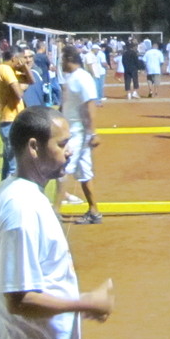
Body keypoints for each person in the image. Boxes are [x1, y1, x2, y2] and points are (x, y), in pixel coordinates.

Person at [0, 107, 114, 339]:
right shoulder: (22, 209)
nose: (69, 151)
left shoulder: (14, 194)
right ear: (33, 147)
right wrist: (85, 303)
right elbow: (20, 299)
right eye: (61, 143)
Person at [58, 45, 103, 223]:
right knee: (85, 173)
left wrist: (92, 133)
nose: (61, 63)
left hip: (77, 133)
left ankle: (54, 211)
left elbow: (90, 105)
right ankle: (94, 211)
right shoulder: (72, 78)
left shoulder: (82, 78)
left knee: (62, 170)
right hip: (74, 132)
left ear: (69, 59)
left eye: (62, 59)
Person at [0, 49, 31, 180]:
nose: (22, 61)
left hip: (10, 121)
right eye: (20, 59)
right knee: (14, 166)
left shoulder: (9, 69)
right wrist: (21, 86)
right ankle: (11, 189)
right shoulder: (5, 69)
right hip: (10, 121)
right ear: (14, 58)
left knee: (8, 163)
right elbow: (19, 93)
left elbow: (31, 81)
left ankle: (3, 189)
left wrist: (24, 67)